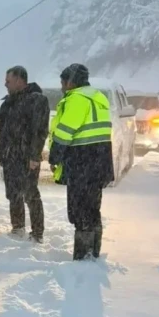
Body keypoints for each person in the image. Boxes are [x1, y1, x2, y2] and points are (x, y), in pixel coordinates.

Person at [48, 63, 114, 260]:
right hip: (100, 161)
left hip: (82, 161)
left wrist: (54, 156)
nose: (61, 87)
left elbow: (65, 131)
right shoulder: (97, 97)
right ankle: (93, 251)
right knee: (93, 208)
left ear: (71, 82)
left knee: (80, 210)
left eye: (63, 82)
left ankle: (83, 255)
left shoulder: (77, 99)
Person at [0, 66, 50, 243]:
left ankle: (37, 233)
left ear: (20, 80)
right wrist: (0, 151)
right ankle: (17, 227)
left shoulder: (37, 100)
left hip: (27, 157)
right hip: (9, 156)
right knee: (13, 194)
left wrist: (34, 156)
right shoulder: (7, 103)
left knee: (30, 193)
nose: (5, 84)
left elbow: (40, 130)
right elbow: (1, 130)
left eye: (8, 80)